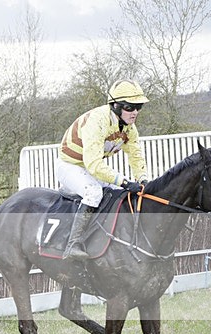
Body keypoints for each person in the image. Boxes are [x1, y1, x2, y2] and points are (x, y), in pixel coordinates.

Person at [55, 79, 150, 261]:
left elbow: (136, 156)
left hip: (89, 167)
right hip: (70, 165)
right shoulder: (97, 121)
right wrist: (125, 182)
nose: (135, 112)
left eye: (139, 107)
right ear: (116, 106)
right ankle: (72, 245)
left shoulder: (130, 129)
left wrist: (143, 179)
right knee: (94, 192)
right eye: (130, 107)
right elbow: (94, 164)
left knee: (119, 193)